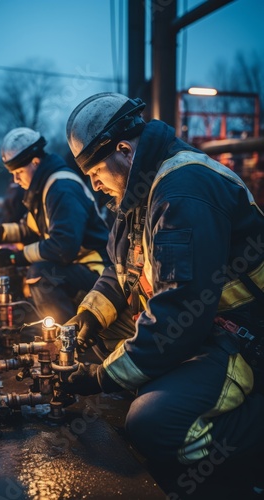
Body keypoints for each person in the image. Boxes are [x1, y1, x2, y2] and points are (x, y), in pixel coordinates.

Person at [61, 92, 264, 496]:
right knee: (98, 340)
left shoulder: (183, 190)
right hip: (207, 327)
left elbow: (182, 308)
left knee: (154, 424)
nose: (94, 184)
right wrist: (89, 315)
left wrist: (104, 377)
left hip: (244, 334)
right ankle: (178, 386)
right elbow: (122, 272)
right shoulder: (138, 192)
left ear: (123, 150)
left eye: (96, 171)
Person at [0, 127, 110, 324]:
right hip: (79, 266)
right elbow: (29, 227)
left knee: (40, 274)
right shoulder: (45, 187)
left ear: (35, 162)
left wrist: (13, 257)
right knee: (39, 270)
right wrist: (0, 233)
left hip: (99, 270)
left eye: (18, 172)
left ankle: (69, 340)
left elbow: (63, 247)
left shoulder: (61, 188)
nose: (15, 180)